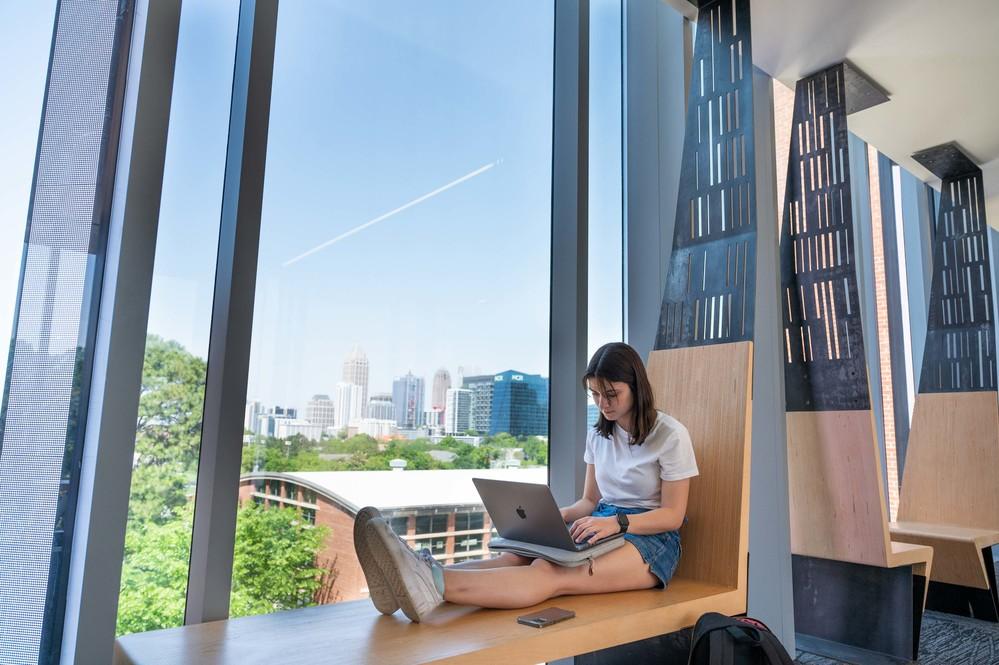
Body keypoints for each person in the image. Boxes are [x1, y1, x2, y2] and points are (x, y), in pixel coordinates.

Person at [353, 342, 699, 622]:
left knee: (551, 572)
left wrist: (616, 522)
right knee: (519, 556)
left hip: (651, 542)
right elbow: (588, 503)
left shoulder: (670, 435)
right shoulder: (599, 436)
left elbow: (672, 515)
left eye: (611, 394)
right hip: (600, 523)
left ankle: (431, 583)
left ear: (636, 388)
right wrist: (546, 519)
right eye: (595, 395)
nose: (602, 404)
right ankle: (416, 576)